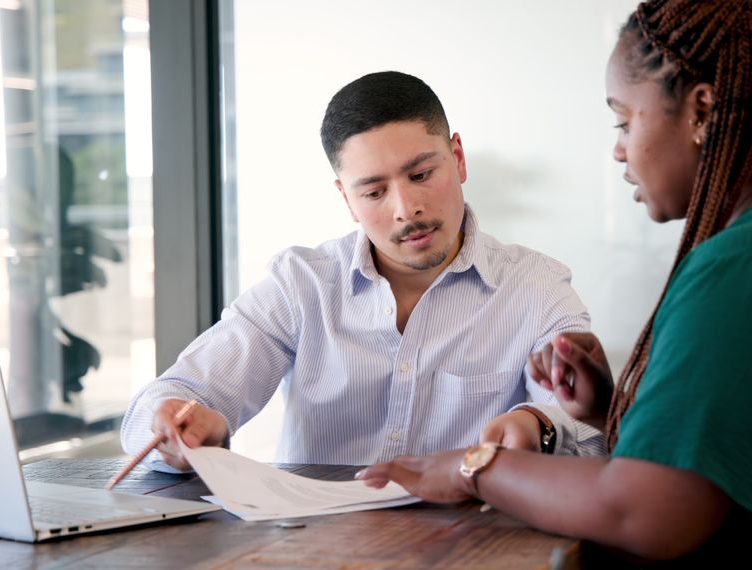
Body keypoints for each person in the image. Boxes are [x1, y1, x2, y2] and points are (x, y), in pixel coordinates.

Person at [359, 1, 752, 566]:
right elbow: (738, 452)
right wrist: (614, 409)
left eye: (624, 119)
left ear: (702, 112)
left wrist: (474, 467)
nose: (618, 148)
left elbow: (646, 516)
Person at [120, 71, 601, 472]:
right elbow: (177, 393)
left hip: (467, 546)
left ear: (457, 158)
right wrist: (174, 426)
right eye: (373, 192)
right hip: (316, 548)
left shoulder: (537, 287)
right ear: (346, 199)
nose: (406, 209)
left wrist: (536, 426)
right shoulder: (300, 284)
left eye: (421, 175)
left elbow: (588, 430)